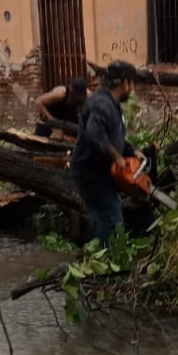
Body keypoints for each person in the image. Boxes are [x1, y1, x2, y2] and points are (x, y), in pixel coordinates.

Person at [70, 61, 137, 245]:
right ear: (125, 83)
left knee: (102, 217)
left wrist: (131, 151)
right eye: (131, 83)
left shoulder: (111, 103)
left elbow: (112, 136)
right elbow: (94, 132)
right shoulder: (102, 104)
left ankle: (90, 253)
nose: (132, 89)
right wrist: (116, 156)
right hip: (91, 172)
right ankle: (106, 258)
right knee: (112, 220)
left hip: (100, 171)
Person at [34, 75, 91, 142]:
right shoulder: (61, 93)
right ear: (71, 89)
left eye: (79, 96)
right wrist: (53, 121)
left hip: (69, 114)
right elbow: (38, 102)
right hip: (53, 114)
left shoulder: (88, 95)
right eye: (75, 95)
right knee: (39, 140)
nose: (77, 97)